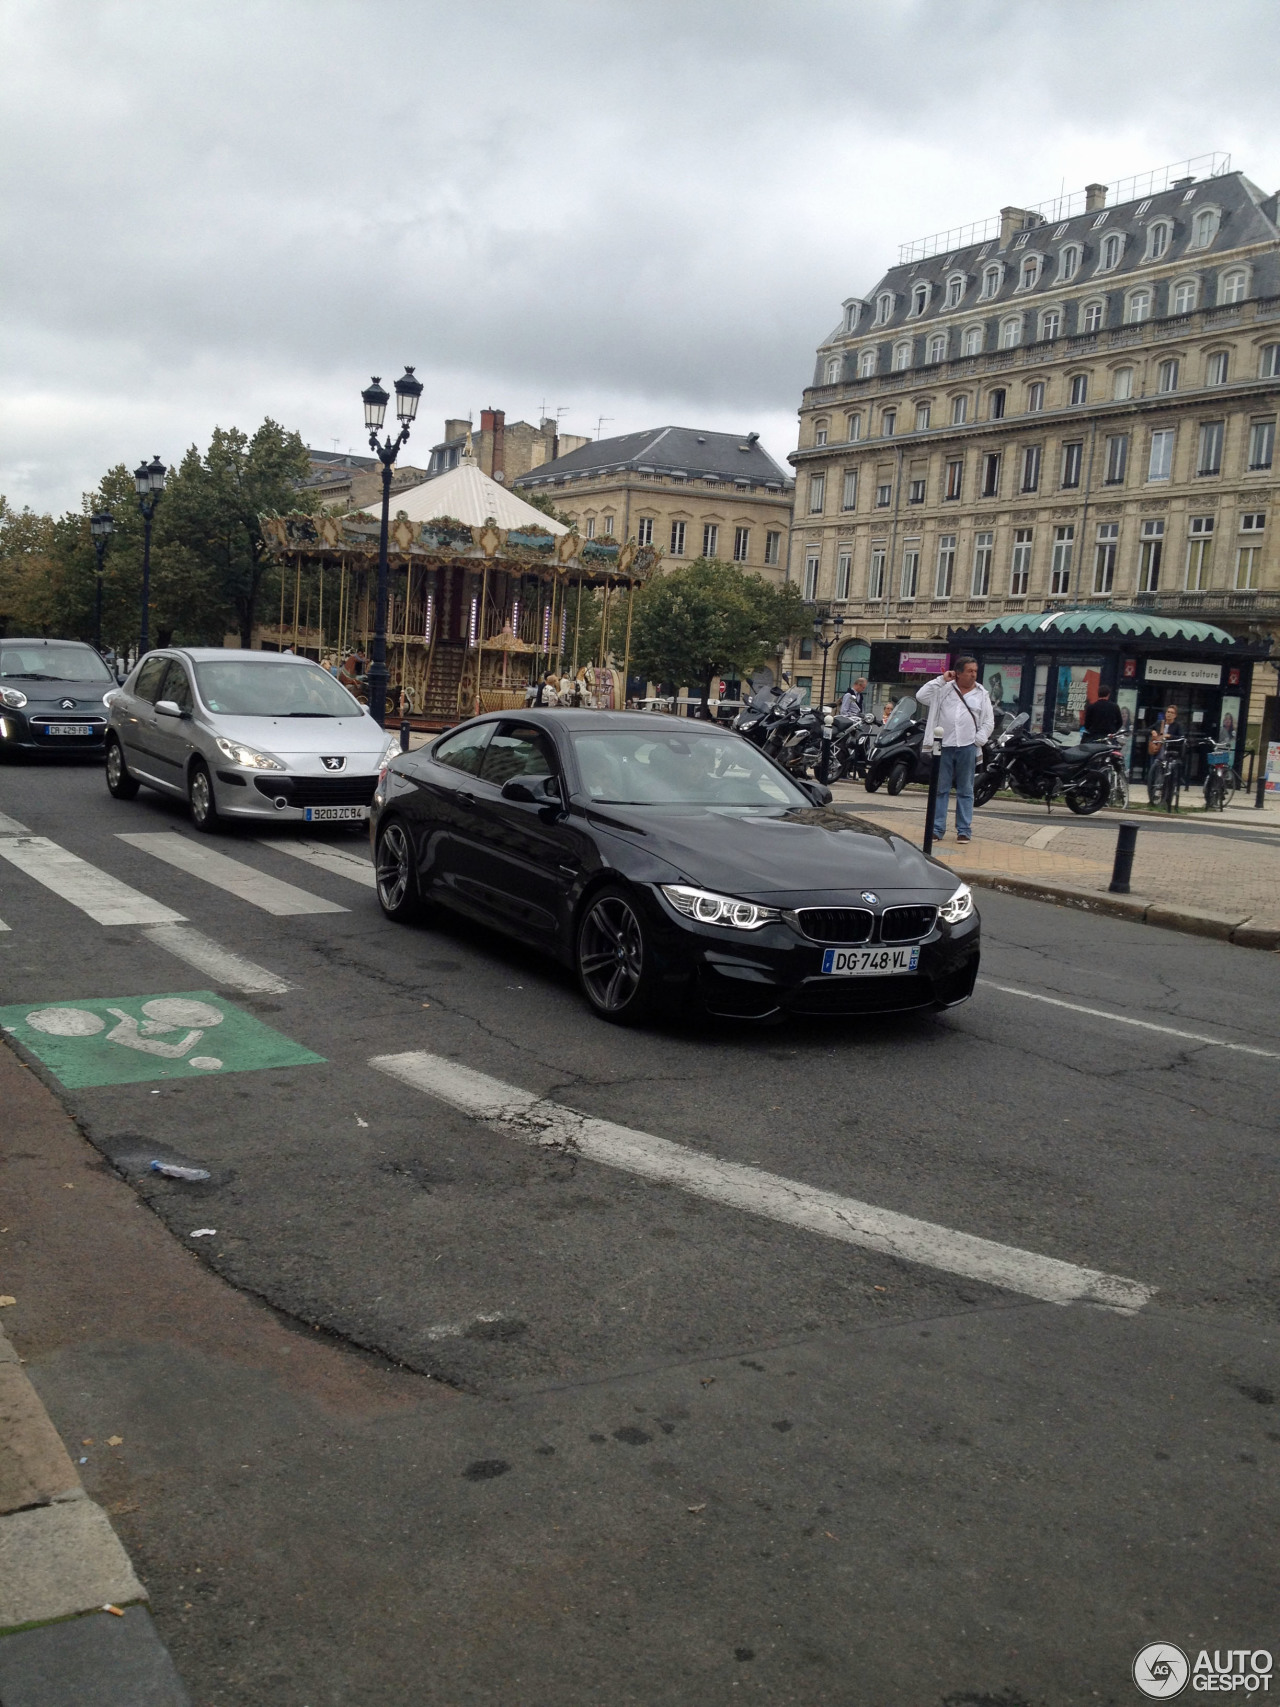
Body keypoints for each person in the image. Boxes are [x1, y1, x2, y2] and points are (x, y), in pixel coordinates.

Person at [916, 656, 995, 844]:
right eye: (970, 671)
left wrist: (979, 739)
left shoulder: (981, 693)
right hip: (943, 745)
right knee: (940, 788)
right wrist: (942, 679)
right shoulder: (943, 689)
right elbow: (921, 696)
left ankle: (964, 830)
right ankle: (936, 829)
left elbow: (988, 721)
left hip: (967, 746)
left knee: (966, 789)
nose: (974, 674)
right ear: (958, 673)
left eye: (975, 671)